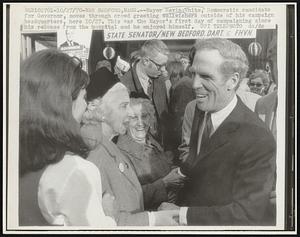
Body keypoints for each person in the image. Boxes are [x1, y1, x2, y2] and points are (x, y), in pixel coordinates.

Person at [159, 38, 276, 226]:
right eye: (193, 74)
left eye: (206, 76)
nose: (195, 84)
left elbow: (247, 214)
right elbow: (199, 163)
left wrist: (182, 215)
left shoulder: (258, 138)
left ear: (233, 80)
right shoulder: (201, 110)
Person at [19, 49, 116, 226]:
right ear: (64, 103)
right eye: (84, 98)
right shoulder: (74, 171)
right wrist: (108, 216)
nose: (86, 106)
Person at [81, 67, 179, 226]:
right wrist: (154, 219)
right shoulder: (92, 152)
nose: (128, 114)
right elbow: (101, 223)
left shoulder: (106, 145)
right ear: (94, 107)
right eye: (123, 106)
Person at [116, 97, 185, 210]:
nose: (140, 123)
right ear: (125, 121)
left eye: (144, 116)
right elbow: (128, 197)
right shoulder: (121, 154)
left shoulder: (151, 141)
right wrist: (164, 183)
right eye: (133, 117)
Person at [120, 39, 169, 143]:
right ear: (146, 61)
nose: (164, 70)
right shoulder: (123, 85)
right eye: (160, 66)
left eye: (166, 65)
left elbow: (165, 119)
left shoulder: (160, 81)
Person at [165, 60, 195, 156]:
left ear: (174, 74)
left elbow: (180, 117)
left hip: (182, 137)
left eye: (168, 75)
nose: (167, 78)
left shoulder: (182, 87)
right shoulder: (184, 84)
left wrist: (174, 145)